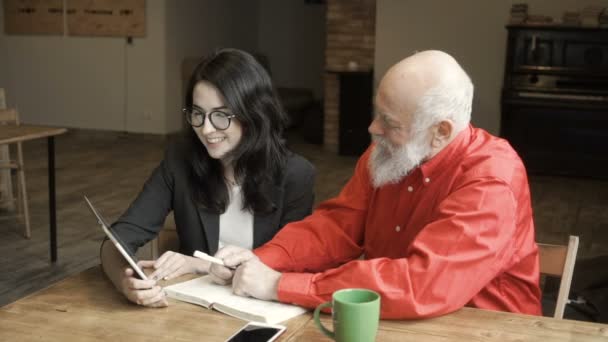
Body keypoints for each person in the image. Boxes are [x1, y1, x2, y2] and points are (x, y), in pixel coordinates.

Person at [209, 50, 542, 319]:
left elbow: (419, 284)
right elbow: (337, 226)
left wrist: (281, 285)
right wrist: (264, 260)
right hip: (394, 316)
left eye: (390, 121)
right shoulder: (389, 152)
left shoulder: (491, 178)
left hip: (484, 327)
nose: (373, 128)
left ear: (440, 131)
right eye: (377, 112)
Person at [100, 48, 316, 308]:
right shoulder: (180, 162)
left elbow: (293, 261)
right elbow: (116, 241)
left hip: (261, 312)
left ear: (254, 114)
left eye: (221, 115)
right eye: (197, 113)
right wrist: (125, 283)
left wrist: (199, 264)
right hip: (192, 312)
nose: (206, 129)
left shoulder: (295, 174)